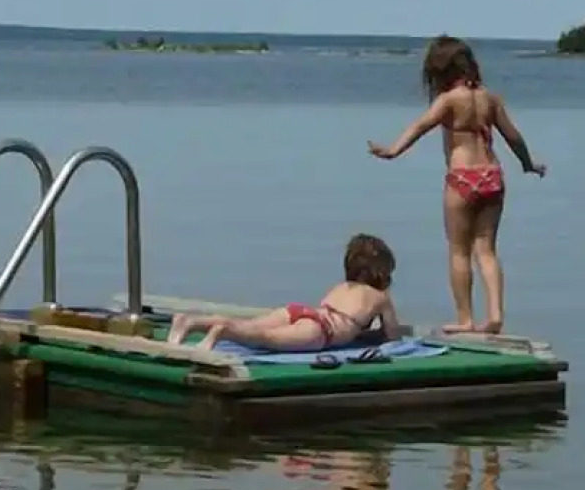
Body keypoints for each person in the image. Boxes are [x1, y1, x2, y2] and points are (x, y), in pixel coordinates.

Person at [368, 34, 545, 334]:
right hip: (492, 176)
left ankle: (465, 318)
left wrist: (393, 150)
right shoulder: (490, 98)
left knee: (459, 251)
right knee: (486, 250)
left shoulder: (449, 100)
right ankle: (495, 314)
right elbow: (512, 136)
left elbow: (420, 126)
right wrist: (528, 164)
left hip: (462, 179)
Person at [165, 233, 401, 352]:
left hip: (301, 312)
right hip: (321, 331)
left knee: (252, 325)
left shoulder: (342, 287)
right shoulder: (380, 298)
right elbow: (392, 336)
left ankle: (191, 322)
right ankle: (223, 333)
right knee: (266, 340)